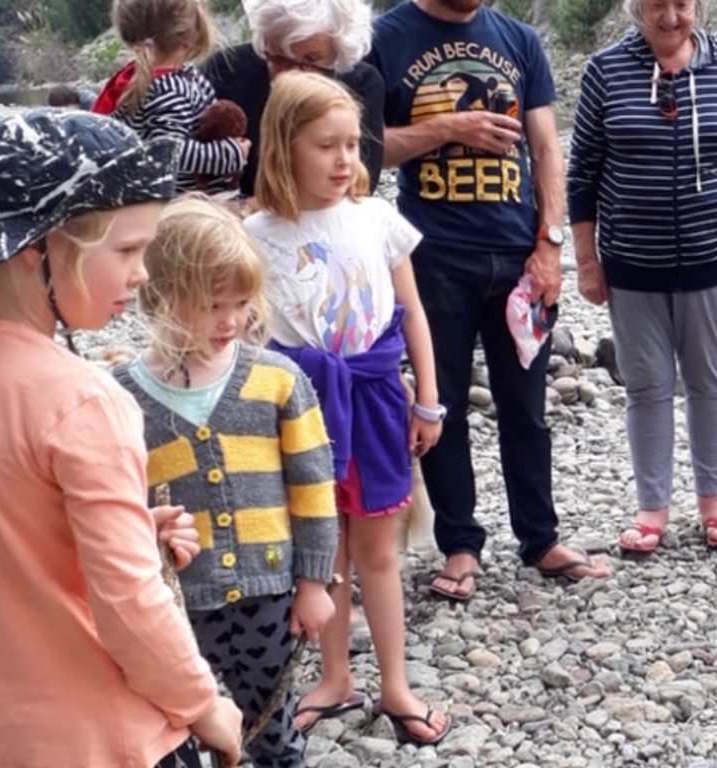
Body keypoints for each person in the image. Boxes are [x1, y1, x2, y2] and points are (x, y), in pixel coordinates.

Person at [0, 109, 243, 768]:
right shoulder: (84, 403)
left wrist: (123, 526)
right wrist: (207, 708)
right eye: (126, 251)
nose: (144, 274)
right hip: (103, 738)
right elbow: (129, 606)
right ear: (42, 248)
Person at [368, 0, 611, 599]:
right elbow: (366, 148)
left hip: (519, 254)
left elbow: (549, 149)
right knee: (441, 404)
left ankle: (541, 538)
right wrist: (449, 127)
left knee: (526, 407)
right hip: (434, 257)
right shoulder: (385, 39)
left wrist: (551, 244)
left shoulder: (520, 39)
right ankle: (460, 547)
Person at [243, 71, 451, 744]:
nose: (343, 161)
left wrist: (430, 399)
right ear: (283, 148)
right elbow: (248, 337)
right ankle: (335, 678)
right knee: (321, 551)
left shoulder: (378, 219)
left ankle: (396, 684)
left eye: (351, 146)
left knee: (379, 553)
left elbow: (414, 313)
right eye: (324, 146)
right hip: (301, 408)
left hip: (376, 398)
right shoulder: (255, 235)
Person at [116, 195, 339, 768]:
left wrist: (315, 584)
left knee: (270, 721)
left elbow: (313, 489)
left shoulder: (277, 380)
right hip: (179, 603)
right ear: (159, 297)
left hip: (270, 593)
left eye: (242, 303)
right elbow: (118, 503)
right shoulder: (121, 397)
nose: (232, 321)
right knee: (190, 723)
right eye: (212, 305)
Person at [568, 0, 717, 555]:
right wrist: (587, 260)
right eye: (657, 4)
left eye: (682, 3)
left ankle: (716, 502)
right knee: (647, 386)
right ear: (637, 7)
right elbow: (582, 172)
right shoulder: (605, 70)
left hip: (711, 259)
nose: (671, 16)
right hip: (632, 264)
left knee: (710, 382)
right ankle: (651, 509)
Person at [202, 0, 385, 198]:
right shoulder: (227, 69)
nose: (293, 75)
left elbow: (360, 185)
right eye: (281, 58)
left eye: (311, 60)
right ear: (265, 43)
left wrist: (258, 208)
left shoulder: (361, 84)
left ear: (337, 53)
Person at [94, 0, 249, 194]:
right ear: (188, 36)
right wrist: (232, 153)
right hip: (193, 205)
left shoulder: (134, 81)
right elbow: (170, 152)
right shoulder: (171, 91)